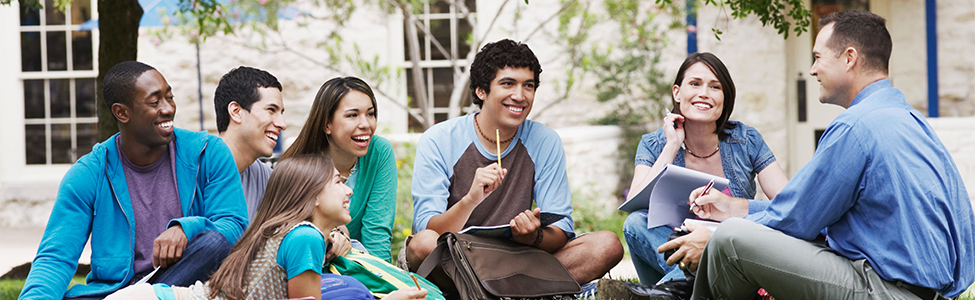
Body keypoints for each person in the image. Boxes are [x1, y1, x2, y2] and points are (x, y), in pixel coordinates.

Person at [658, 10, 973, 300]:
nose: (812, 70)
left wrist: (712, 238)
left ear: (849, 58)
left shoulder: (856, 127)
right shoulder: (909, 120)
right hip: (930, 292)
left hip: (885, 290)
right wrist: (733, 206)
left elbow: (796, 220)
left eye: (818, 57)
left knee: (730, 240)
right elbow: (811, 210)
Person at [402, 39, 624, 292]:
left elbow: (561, 228)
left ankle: (488, 291)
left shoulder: (544, 140)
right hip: (457, 257)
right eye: (508, 84)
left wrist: (533, 236)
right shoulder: (439, 138)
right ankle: (515, 291)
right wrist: (471, 200)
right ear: (481, 91)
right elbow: (426, 229)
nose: (520, 96)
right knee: (423, 244)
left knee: (606, 244)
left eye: (528, 86)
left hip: (515, 259)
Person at [19, 61, 248, 300]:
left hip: (178, 287)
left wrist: (187, 228)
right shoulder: (89, 173)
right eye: (155, 101)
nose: (168, 108)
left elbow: (234, 225)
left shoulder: (208, 152)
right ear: (122, 112)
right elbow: (56, 257)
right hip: (112, 292)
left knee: (213, 242)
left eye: (169, 97)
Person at [104, 155, 428, 300]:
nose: (349, 190)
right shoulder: (304, 236)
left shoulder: (288, 231)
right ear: (312, 197)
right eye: (338, 182)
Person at [600, 52, 789, 299]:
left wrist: (730, 214)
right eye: (695, 84)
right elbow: (634, 202)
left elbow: (788, 205)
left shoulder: (747, 140)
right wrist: (671, 146)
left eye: (715, 87)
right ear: (677, 93)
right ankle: (675, 291)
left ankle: (660, 295)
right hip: (675, 243)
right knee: (636, 223)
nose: (704, 93)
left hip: (730, 251)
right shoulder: (655, 143)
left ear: (725, 98)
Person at [281, 76, 398, 262]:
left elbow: (377, 233)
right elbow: (289, 231)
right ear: (327, 124)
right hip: (312, 266)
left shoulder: (379, 152)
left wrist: (383, 284)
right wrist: (333, 233)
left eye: (370, 113)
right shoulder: (299, 165)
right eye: (352, 115)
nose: (366, 124)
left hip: (362, 264)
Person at [212, 66, 287, 222]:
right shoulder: (194, 172)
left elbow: (309, 210)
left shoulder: (262, 175)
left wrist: (336, 234)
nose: (282, 124)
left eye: (281, 113)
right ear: (236, 112)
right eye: (271, 110)